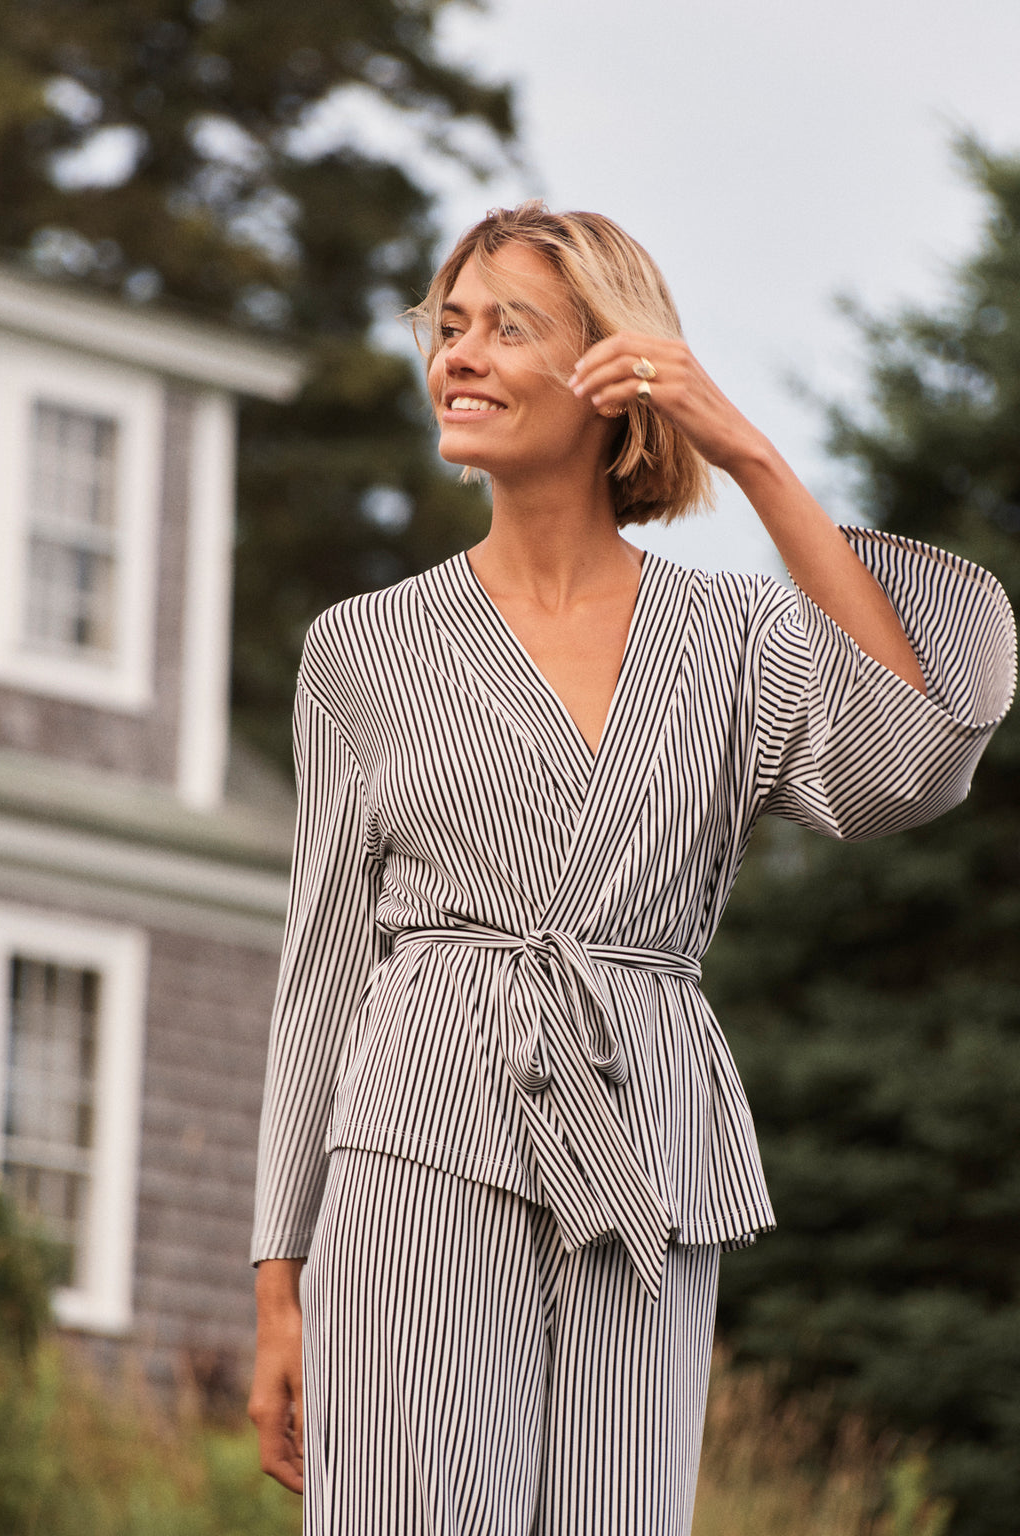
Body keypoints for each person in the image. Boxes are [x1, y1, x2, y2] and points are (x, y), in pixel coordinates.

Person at [248, 202, 1015, 1536]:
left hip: (646, 1141)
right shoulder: (362, 650)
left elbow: (910, 761)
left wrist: (752, 453)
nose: (459, 356)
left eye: (509, 327)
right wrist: (277, 1284)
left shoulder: (735, 639)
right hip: (421, 1133)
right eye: (449, 325)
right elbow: (320, 972)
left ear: (618, 374)